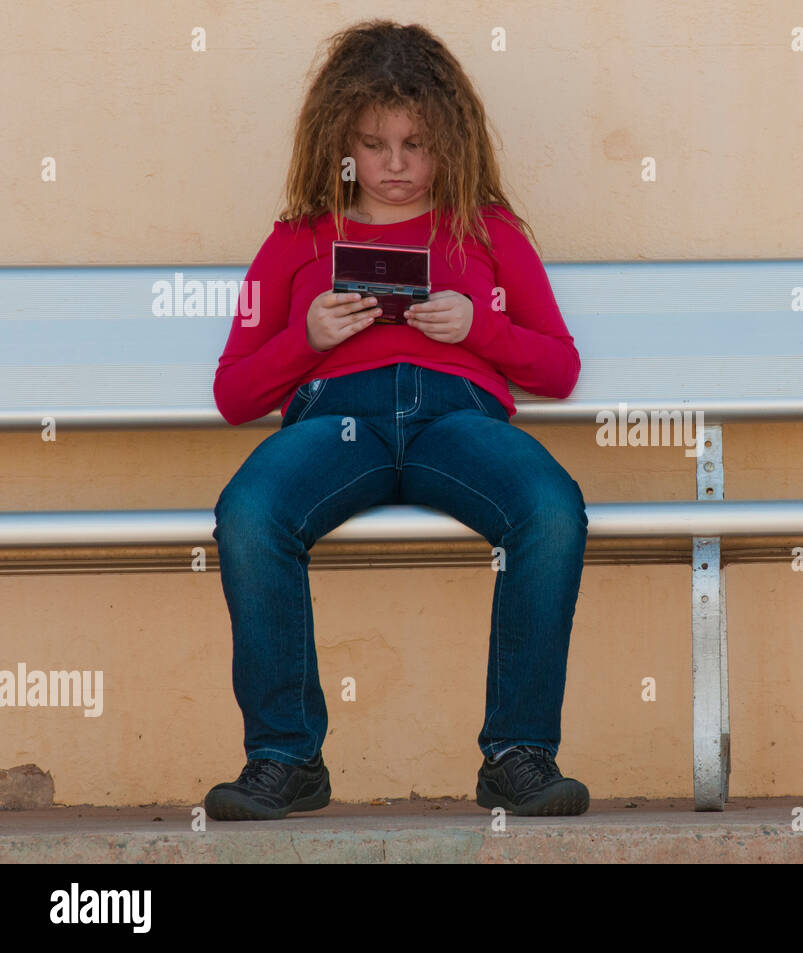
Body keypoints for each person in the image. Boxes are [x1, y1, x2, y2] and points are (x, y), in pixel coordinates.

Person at [205, 19, 589, 820]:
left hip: (459, 421)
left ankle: (519, 752)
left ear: (452, 141)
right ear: (337, 144)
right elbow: (234, 392)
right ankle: (286, 754)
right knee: (249, 511)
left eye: (418, 145)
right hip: (337, 423)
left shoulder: (485, 229)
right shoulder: (299, 240)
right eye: (374, 146)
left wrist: (477, 327)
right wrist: (304, 338)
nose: (396, 167)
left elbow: (559, 366)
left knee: (551, 509)